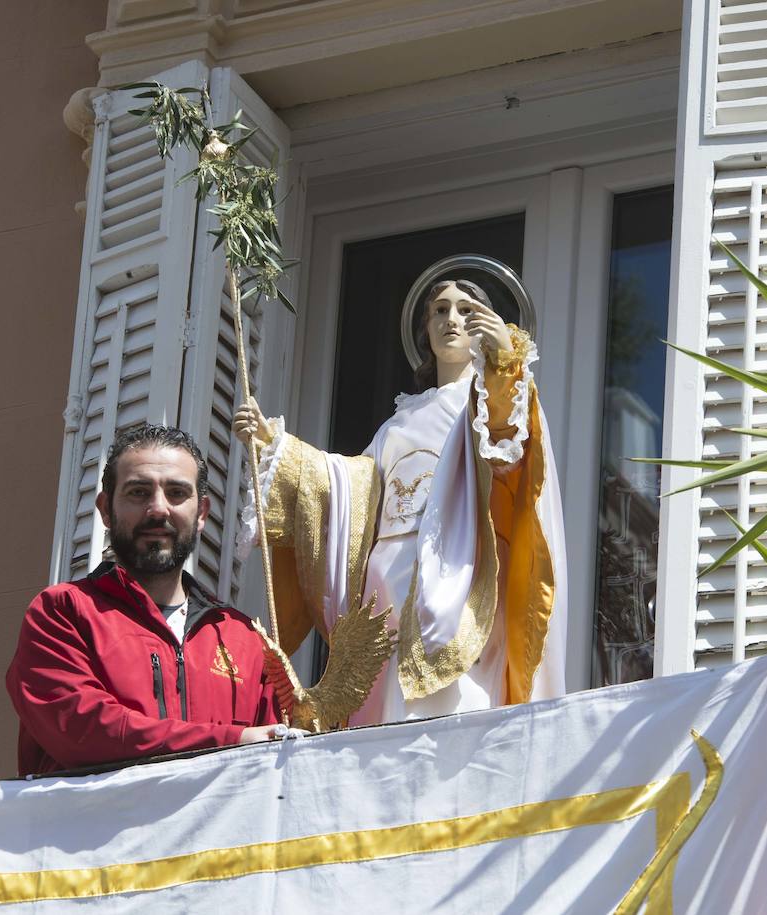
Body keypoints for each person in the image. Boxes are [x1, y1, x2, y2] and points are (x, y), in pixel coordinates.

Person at [234, 275, 567, 726]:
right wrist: (277, 446)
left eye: (466, 310)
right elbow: (349, 490)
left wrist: (505, 361)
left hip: (456, 571)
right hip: (386, 581)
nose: (452, 319)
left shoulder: (489, 398)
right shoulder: (398, 422)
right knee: (386, 711)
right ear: (425, 329)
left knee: (457, 703)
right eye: (440, 310)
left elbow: (507, 454)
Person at [5, 424, 283, 775]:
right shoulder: (62, 613)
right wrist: (232, 740)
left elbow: (275, 768)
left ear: (201, 513)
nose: (158, 509)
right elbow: (85, 732)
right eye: (138, 492)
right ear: (106, 509)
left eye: (177, 493)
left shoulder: (246, 640)